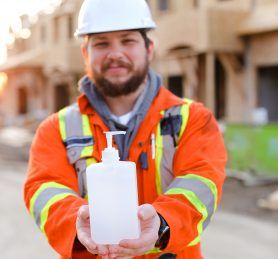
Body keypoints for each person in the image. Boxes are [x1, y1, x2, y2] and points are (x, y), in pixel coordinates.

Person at [23, 0, 227, 258]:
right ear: (85, 53)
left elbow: (202, 184)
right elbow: (44, 190)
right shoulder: (56, 129)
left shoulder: (193, 120)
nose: (115, 53)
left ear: (149, 48)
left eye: (127, 41)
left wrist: (163, 222)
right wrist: (76, 220)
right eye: (102, 43)